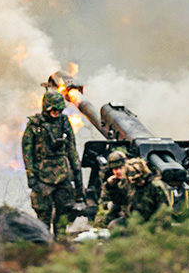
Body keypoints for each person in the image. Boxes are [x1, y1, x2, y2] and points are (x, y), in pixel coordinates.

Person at [21, 89, 84, 236]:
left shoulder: (64, 122)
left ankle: (61, 246)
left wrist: (77, 174)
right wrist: (31, 176)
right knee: (44, 216)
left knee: (63, 214)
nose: (56, 112)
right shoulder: (35, 124)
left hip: (62, 175)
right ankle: (44, 248)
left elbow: (71, 149)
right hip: (43, 176)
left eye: (59, 109)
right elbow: (27, 152)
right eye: (53, 109)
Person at [123, 158, 171, 223]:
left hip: (152, 222)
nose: (138, 182)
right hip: (133, 221)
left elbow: (164, 209)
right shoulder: (129, 185)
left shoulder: (155, 186)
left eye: (139, 179)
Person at [97, 149, 129, 226]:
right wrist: (109, 205)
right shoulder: (111, 183)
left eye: (121, 168)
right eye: (115, 169)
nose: (118, 171)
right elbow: (102, 202)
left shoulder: (132, 181)